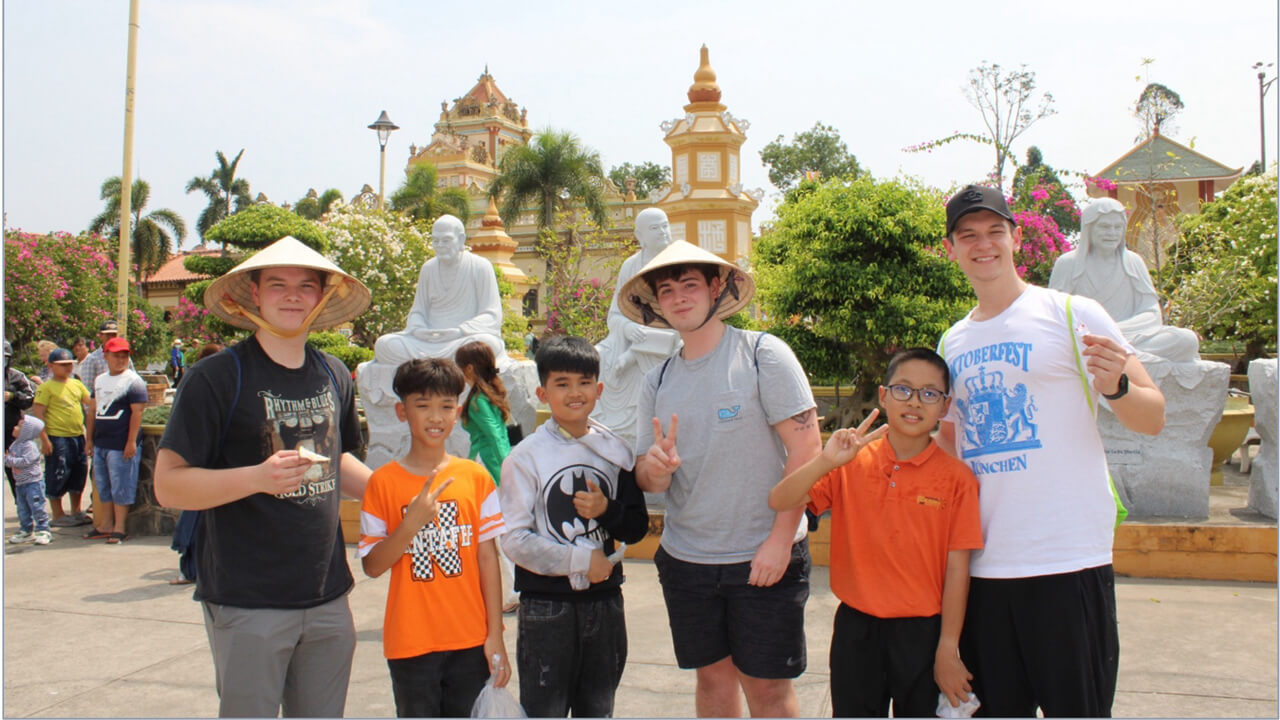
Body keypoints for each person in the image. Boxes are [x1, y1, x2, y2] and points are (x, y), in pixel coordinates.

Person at [938, 185, 1166, 717]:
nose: (983, 245)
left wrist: (1117, 389)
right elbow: (952, 450)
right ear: (951, 248)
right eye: (967, 235)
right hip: (986, 570)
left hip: (1069, 563)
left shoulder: (1071, 312)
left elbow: (1152, 415)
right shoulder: (953, 342)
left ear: (1016, 238)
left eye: (995, 231)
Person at [154, 235, 374, 717]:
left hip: (327, 594)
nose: (292, 295)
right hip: (247, 598)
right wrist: (257, 477)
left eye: (305, 285)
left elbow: (338, 460)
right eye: (277, 284)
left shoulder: (334, 373)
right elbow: (168, 484)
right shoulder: (217, 377)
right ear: (253, 293)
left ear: (323, 296)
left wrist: (400, 492)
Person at [625, 241, 821, 718]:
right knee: (713, 682)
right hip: (687, 559)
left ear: (716, 288)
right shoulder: (658, 379)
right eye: (666, 290)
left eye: (689, 284)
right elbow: (647, 479)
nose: (678, 298)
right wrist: (655, 467)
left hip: (762, 555)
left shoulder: (762, 355)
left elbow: (806, 450)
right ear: (657, 302)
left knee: (767, 690)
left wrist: (778, 541)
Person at [769, 348, 983, 717]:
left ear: (945, 406)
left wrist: (947, 648)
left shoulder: (956, 479)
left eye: (929, 393)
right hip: (857, 630)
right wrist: (826, 461)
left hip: (922, 634)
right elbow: (780, 499)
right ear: (883, 395)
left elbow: (957, 568)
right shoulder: (852, 462)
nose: (914, 402)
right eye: (903, 389)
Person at [499, 335, 649, 718]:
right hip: (546, 606)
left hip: (605, 602)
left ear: (599, 389)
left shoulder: (616, 452)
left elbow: (634, 526)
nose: (574, 393)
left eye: (584, 382)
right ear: (542, 392)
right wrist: (581, 560)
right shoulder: (524, 457)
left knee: (597, 709)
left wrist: (606, 509)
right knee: (543, 710)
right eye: (561, 384)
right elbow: (514, 540)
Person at [357, 357, 510, 718]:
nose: (436, 417)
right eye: (422, 406)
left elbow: (487, 559)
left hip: (471, 641)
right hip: (410, 643)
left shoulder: (474, 478)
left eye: (445, 406)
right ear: (401, 411)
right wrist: (410, 525)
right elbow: (372, 566)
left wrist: (496, 635)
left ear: (458, 411)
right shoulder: (383, 483)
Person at [1048, 197, 1199, 363]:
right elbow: (1055, 315)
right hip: (1088, 340)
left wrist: (1115, 331)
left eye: (1117, 227)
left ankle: (1125, 355)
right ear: (1089, 228)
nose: (1112, 233)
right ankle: (1130, 358)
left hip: (1130, 336)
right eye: (1104, 227)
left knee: (1187, 340)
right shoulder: (1069, 263)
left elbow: (1152, 313)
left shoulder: (1133, 262)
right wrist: (1096, 334)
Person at [593, 207, 682, 447]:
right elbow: (615, 314)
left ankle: (632, 357)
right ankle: (609, 430)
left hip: (668, 337)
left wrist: (634, 350)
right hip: (633, 336)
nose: (663, 232)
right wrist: (625, 329)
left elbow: (680, 315)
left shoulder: (678, 263)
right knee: (598, 356)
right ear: (640, 235)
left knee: (668, 342)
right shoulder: (630, 266)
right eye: (655, 228)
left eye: (665, 225)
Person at [372, 214, 506, 367]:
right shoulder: (428, 268)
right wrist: (419, 329)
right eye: (435, 240)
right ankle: (437, 362)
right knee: (384, 344)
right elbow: (418, 311)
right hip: (427, 341)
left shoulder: (480, 266)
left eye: (446, 240)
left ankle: (432, 362)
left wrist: (460, 331)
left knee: (485, 345)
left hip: (462, 339)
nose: (440, 245)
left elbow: (492, 314)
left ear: (461, 239)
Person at [454, 340, 519, 613]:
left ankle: (516, 589)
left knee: (495, 534)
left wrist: (506, 470)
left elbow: (494, 436)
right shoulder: (487, 395)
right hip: (490, 467)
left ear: (468, 368)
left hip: (487, 470)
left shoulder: (479, 400)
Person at [169, 341, 226, 586]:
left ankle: (191, 568)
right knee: (196, 520)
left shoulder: (198, 380)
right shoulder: (204, 382)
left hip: (205, 465)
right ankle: (192, 568)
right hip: (203, 465)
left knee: (196, 520)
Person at [82, 337, 148, 544]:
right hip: (102, 441)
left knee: (121, 485)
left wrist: (130, 442)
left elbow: (137, 413)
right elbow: (92, 410)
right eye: (116, 355)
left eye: (124, 356)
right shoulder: (100, 380)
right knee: (103, 485)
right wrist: (89, 439)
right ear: (106, 356)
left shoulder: (134, 381)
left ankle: (119, 527)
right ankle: (106, 524)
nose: (120, 360)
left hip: (121, 442)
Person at [32, 347, 92, 527]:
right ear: (51, 366)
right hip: (57, 437)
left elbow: (90, 403)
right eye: (62, 365)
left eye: (69, 364)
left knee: (78, 472)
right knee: (57, 473)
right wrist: (44, 439)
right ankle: (57, 513)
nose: (67, 368)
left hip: (77, 435)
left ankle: (76, 510)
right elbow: (39, 414)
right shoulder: (46, 387)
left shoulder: (76, 384)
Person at [6, 412, 52, 545]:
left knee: (37, 506)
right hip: (20, 483)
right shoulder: (15, 445)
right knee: (22, 508)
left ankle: (44, 530)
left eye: (19, 427)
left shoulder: (29, 446)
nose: (14, 428)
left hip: (33, 483)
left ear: (26, 432)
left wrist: (8, 460)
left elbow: (25, 461)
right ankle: (26, 530)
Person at [5, 340, 35, 500]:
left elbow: (30, 397)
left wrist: (12, 396)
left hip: (11, 433)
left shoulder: (16, 376)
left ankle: (24, 505)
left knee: (17, 472)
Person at [76, 321, 132, 392]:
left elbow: (132, 379)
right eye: (108, 335)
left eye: (114, 335)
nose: (111, 338)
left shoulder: (125, 357)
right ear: (100, 336)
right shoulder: (92, 359)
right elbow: (87, 389)